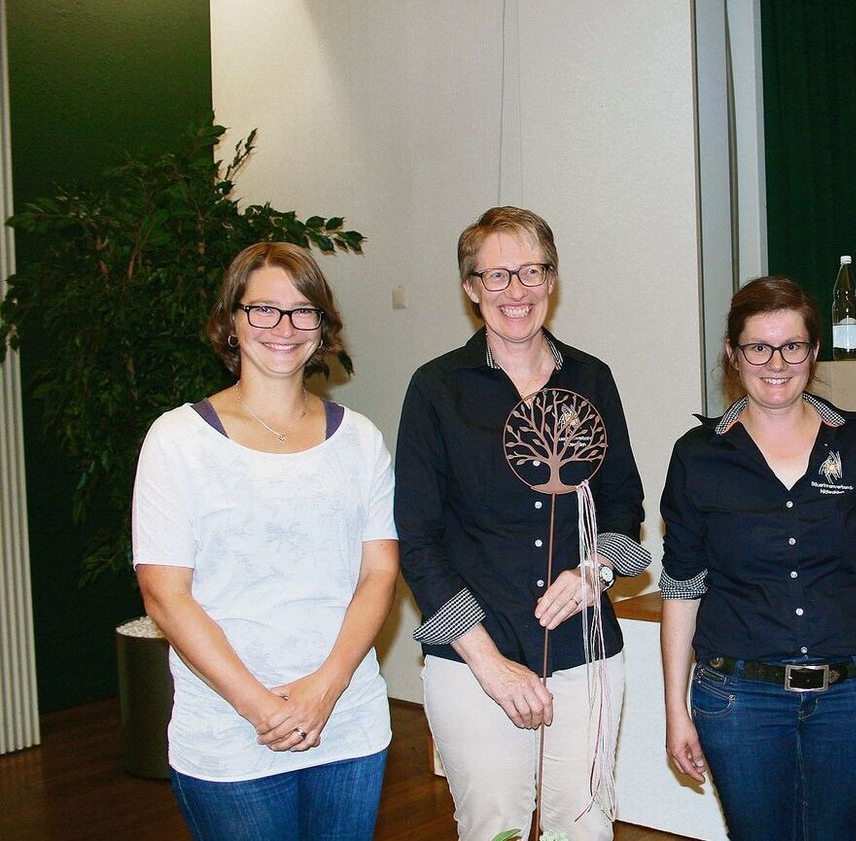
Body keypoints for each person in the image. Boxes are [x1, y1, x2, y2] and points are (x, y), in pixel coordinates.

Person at [395, 206, 648, 841]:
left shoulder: (592, 379)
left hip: (586, 652)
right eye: (497, 275)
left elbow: (626, 509)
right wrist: (486, 660)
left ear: (552, 280)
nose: (517, 290)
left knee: (584, 830)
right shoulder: (436, 389)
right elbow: (417, 544)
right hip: (473, 658)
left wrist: (598, 571)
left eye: (532, 271)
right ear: (470, 286)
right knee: (494, 830)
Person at [133, 242, 399, 840]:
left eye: (303, 310)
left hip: (347, 724)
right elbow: (165, 596)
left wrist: (324, 690)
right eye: (263, 309)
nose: (284, 326)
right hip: (229, 733)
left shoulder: (360, 440)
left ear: (322, 326)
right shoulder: (177, 440)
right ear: (231, 321)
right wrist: (260, 706)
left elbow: (379, 574)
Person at [660, 276, 856, 841]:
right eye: (758, 347)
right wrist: (675, 708)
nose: (776, 363)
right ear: (733, 354)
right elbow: (682, 587)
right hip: (739, 700)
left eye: (793, 346)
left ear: (814, 351)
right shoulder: (698, 457)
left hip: (854, 697)